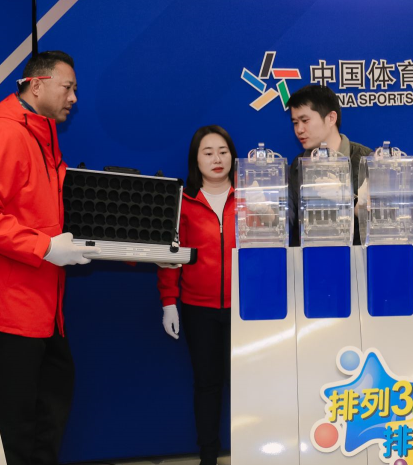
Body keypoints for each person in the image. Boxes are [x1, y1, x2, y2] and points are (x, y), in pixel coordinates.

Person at [0, 50, 99, 465]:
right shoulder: (3, 132)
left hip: (42, 309)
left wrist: (137, 248)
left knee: (47, 418)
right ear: (36, 85)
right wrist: (46, 247)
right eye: (68, 87)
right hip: (6, 311)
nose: (74, 98)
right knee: (15, 430)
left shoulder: (42, 133)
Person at [157, 125, 236, 465]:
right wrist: (169, 302)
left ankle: (253, 449)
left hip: (244, 308)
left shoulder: (251, 196)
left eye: (223, 151)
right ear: (196, 160)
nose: (217, 159)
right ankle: (208, 455)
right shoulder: (183, 202)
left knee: (247, 381)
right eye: (208, 152)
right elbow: (170, 257)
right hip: (197, 308)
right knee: (207, 384)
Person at [287, 85, 371, 246]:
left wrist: (347, 198)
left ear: (331, 118)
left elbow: (380, 218)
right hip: (309, 256)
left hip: (355, 257)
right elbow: (289, 219)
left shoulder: (365, 159)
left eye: (305, 121)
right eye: (295, 123)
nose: (299, 130)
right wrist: (266, 211)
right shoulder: (298, 165)